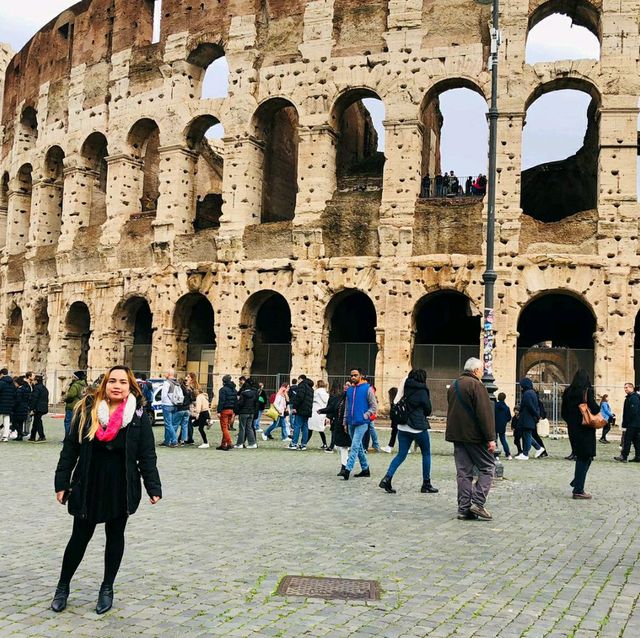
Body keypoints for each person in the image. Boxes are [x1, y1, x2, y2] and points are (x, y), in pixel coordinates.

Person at [52, 365, 162, 615]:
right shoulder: (87, 411)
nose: (117, 385)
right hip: (88, 481)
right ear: (104, 384)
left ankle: (107, 587)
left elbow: (147, 455)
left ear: (130, 386)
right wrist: (62, 482)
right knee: (79, 538)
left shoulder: (137, 417)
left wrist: (152, 486)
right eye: (112, 380)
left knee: (115, 537)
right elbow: (70, 450)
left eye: (123, 382)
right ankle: (63, 586)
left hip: (120, 484)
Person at [445, 357, 496, 520]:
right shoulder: (477, 385)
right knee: (488, 467)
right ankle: (478, 502)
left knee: (463, 473)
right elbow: (484, 414)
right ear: (476, 371)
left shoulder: (454, 385)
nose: (482, 373)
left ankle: (463, 508)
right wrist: (490, 438)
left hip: (457, 435)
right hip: (474, 436)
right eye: (481, 370)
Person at [379, 369, 438, 494]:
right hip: (417, 426)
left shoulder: (405, 386)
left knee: (401, 454)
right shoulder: (422, 390)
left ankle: (387, 478)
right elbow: (428, 409)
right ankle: (426, 483)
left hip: (402, 426)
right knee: (426, 453)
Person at [561, 368, 600, 499]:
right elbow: (594, 408)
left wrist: (572, 423)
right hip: (586, 429)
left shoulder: (567, 391)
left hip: (573, 429)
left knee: (583, 456)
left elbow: (563, 413)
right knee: (586, 457)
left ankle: (577, 481)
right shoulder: (587, 391)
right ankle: (578, 489)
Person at [339, 368, 378, 480]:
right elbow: (347, 407)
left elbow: (374, 406)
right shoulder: (350, 390)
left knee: (355, 446)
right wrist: (345, 422)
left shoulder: (367, 389)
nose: (353, 377)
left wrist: (365, 415)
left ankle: (347, 469)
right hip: (351, 422)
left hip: (362, 422)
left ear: (361, 375)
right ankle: (365, 469)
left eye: (355, 375)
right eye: (351, 375)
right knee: (359, 447)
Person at [319, 381, 351, 473]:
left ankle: (345, 467)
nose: (346, 386)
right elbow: (332, 408)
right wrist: (322, 411)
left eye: (348, 385)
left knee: (348, 446)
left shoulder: (353, 399)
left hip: (349, 424)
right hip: (338, 423)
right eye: (345, 384)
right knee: (340, 446)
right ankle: (345, 464)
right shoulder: (339, 397)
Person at [514, 378, 544, 460]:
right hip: (529, 418)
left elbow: (529, 406)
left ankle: (525, 454)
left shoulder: (527, 394)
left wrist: (537, 415)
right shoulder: (532, 393)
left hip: (527, 418)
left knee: (527, 435)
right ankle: (538, 448)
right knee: (527, 435)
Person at [615, 383, 640, 462]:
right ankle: (638, 456)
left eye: (626, 388)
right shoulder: (631, 397)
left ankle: (624, 456)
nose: (625, 389)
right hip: (635, 423)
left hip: (633, 423)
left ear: (631, 388)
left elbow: (633, 411)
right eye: (624, 388)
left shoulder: (633, 398)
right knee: (636, 441)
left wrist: (627, 422)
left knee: (627, 440)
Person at [289, 375, 314, 450]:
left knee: (297, 425)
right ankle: (303, 444)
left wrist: (295, 407)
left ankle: (294, 443)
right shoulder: (311, 388)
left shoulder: (302, 386)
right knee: (305, 427)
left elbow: (299, 397)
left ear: (301, 379)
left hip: (301, 409)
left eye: (298, 379)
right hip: (307, 410)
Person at [160, 369, 182, 448]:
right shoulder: (177, 383)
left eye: (166, 372)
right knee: (171, 424)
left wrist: (163, 403)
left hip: (167, 405)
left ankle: (174, 441)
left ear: (169, 374)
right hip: (175, 404)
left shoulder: (167, 382)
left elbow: (163, 395)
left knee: (168, 424)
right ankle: (167, 441)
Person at [62, 372, 87, 440]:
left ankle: (68, 438)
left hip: (72, 406)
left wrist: (65, 398)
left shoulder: (75, 385)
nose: (72, 378)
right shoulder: (84, 385)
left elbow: (71, 395)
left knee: (68, 422)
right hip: (80, 406)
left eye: (73, 376)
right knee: (76, 423)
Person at [234, 377, 258, 449]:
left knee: (242, 428)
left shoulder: (243, 394)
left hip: (244, 412)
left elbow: (240, 403)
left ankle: (240, 443)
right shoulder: (254, 393)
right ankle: (252, 443)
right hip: (251, 412)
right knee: (249, 428)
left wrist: (236, 408)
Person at [215, 375, 237, 450]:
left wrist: (219, 411)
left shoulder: (222, 390)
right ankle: (223, 444)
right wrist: (234, 411)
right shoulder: (234, 390)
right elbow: (235, 401)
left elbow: (221, 401)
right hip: (231, 410)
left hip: (224, 410)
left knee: (224, 428)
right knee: (227, 427)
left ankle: (229, 443)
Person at [307, 380, 329, 448]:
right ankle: (325, 444)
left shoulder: (316, 392)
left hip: (315, 412)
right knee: (321, 430)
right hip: (322, 412)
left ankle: (304, 442)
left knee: (310, 428)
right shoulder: (326, 393)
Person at [29, 374, 49, 442]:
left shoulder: (37, 388)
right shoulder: (44, 388)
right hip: (43, 407)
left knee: (38, 421)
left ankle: (42, 436)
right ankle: (32, 436)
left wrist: (32, 408)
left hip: (38, 407)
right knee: (36, 421)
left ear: (36, 381)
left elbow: (34, 398)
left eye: (34, 380)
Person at [11, 376, 31, 441]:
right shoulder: (26, 389)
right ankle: (19, 435)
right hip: (24, 407)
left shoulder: (19, 390)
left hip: (19, 408)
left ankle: (20, 433)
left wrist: (13, 406)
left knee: (15, 421)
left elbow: (18, 400)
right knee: (20, 422)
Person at [494, 392, 512, 460]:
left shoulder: (495, 405)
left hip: (495, 424)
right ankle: (508, 454)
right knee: (503, 440)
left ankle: (496, 455)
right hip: (502, 425)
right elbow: (509, 418)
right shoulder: (507, 408)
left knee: (495, 440)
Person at [381, 387, 399, 453]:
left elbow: (392, 413)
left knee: (395, 434)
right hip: (397, 422)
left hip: (396, 422)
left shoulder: (394, 403)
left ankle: (390, 447)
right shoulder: (396, 402)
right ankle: (390, 446)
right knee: (395, 434)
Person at [0, 368, 16, 442]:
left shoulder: (2, 382)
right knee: (7, 419)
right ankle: (5, 436)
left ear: (2, 374)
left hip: (1, 403)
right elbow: (14, 393)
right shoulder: (12, 383)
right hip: (9, 403)